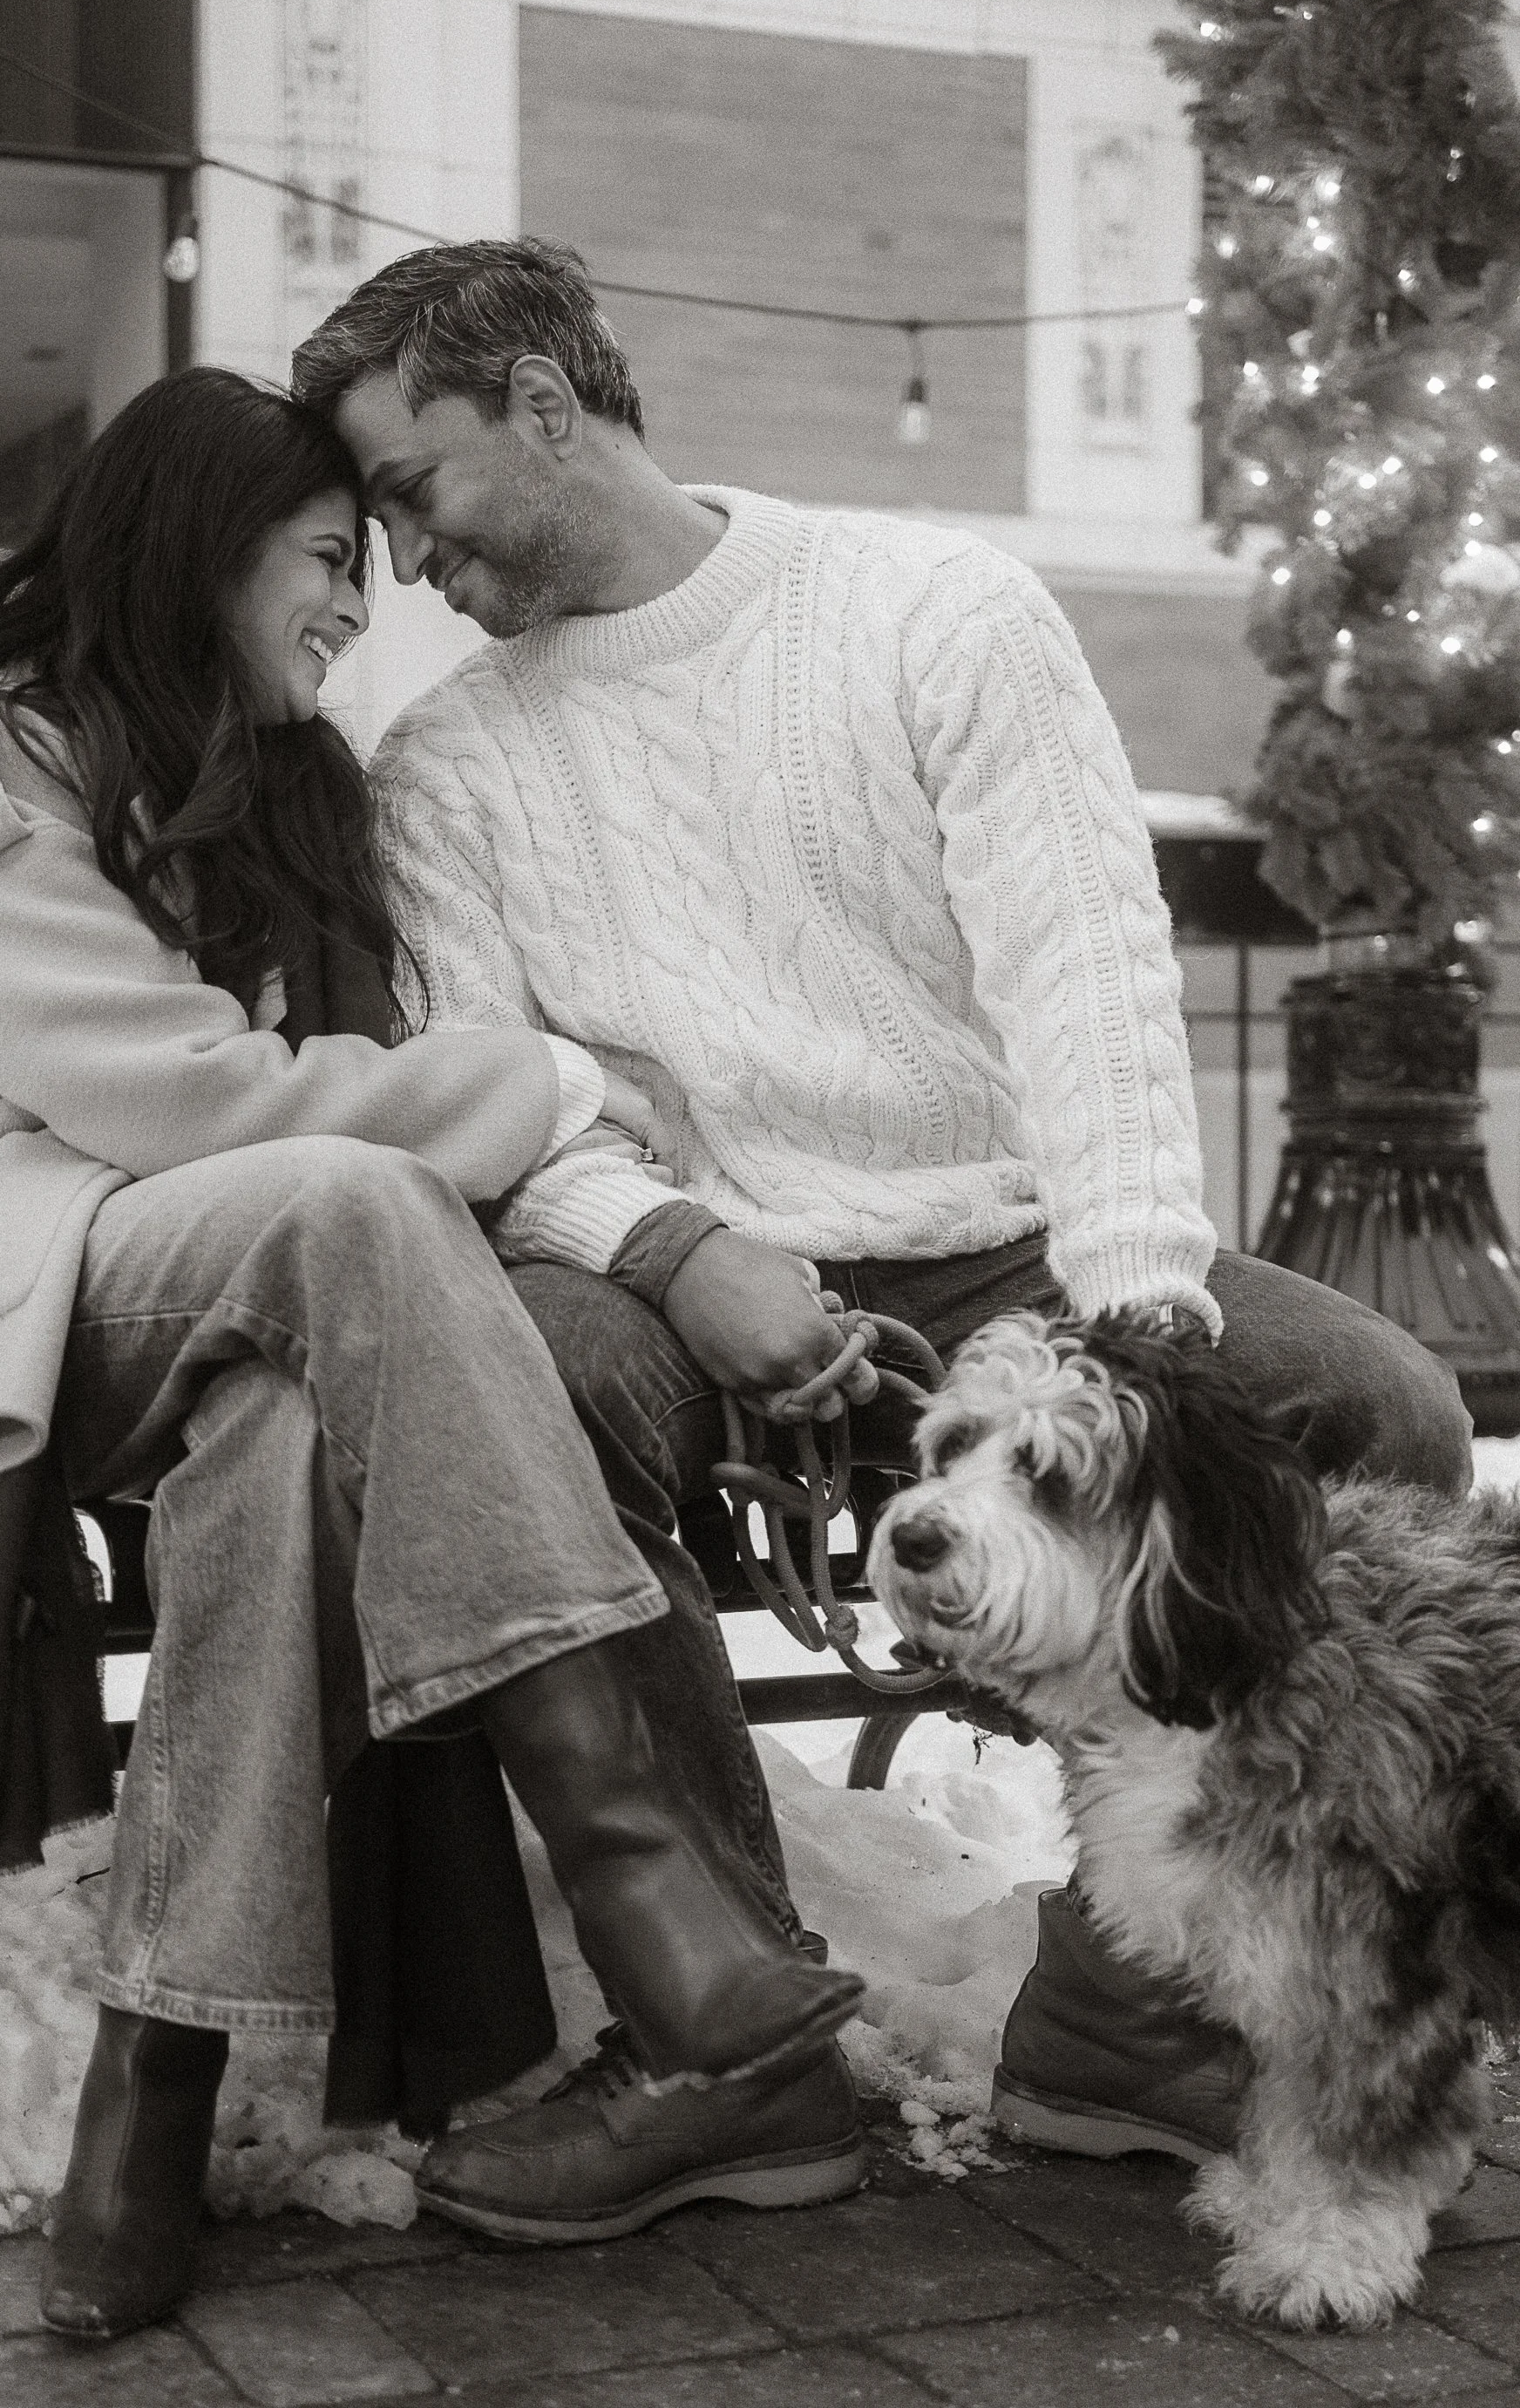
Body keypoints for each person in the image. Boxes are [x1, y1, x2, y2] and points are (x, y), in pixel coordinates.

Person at [291, 235, 1476, 2242]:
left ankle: (1127, 2007)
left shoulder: (932, 611)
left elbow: (1087, 974)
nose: (402, 561)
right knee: (539, 1387)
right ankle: (728, 2043)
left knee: (1372, 1400)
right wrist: (674, 1254)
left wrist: (1137, 1309)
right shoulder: (447, 767)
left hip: (1002, 1250)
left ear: (545, 404)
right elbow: (493, 1118)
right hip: (676, 1270)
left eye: (412, 491)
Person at [0, 365, 863, 2341]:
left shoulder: (304, 784)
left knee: (280, 1447)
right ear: (202, 544)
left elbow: (344, 1090)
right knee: (359, 1204)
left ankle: (146, 2092)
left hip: (270, 1308)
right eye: (330, 558)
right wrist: (559, 1078)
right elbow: (196, 1105)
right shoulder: (4, 766)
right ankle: (642, 1876)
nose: (358, 603)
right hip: (46, 1288)